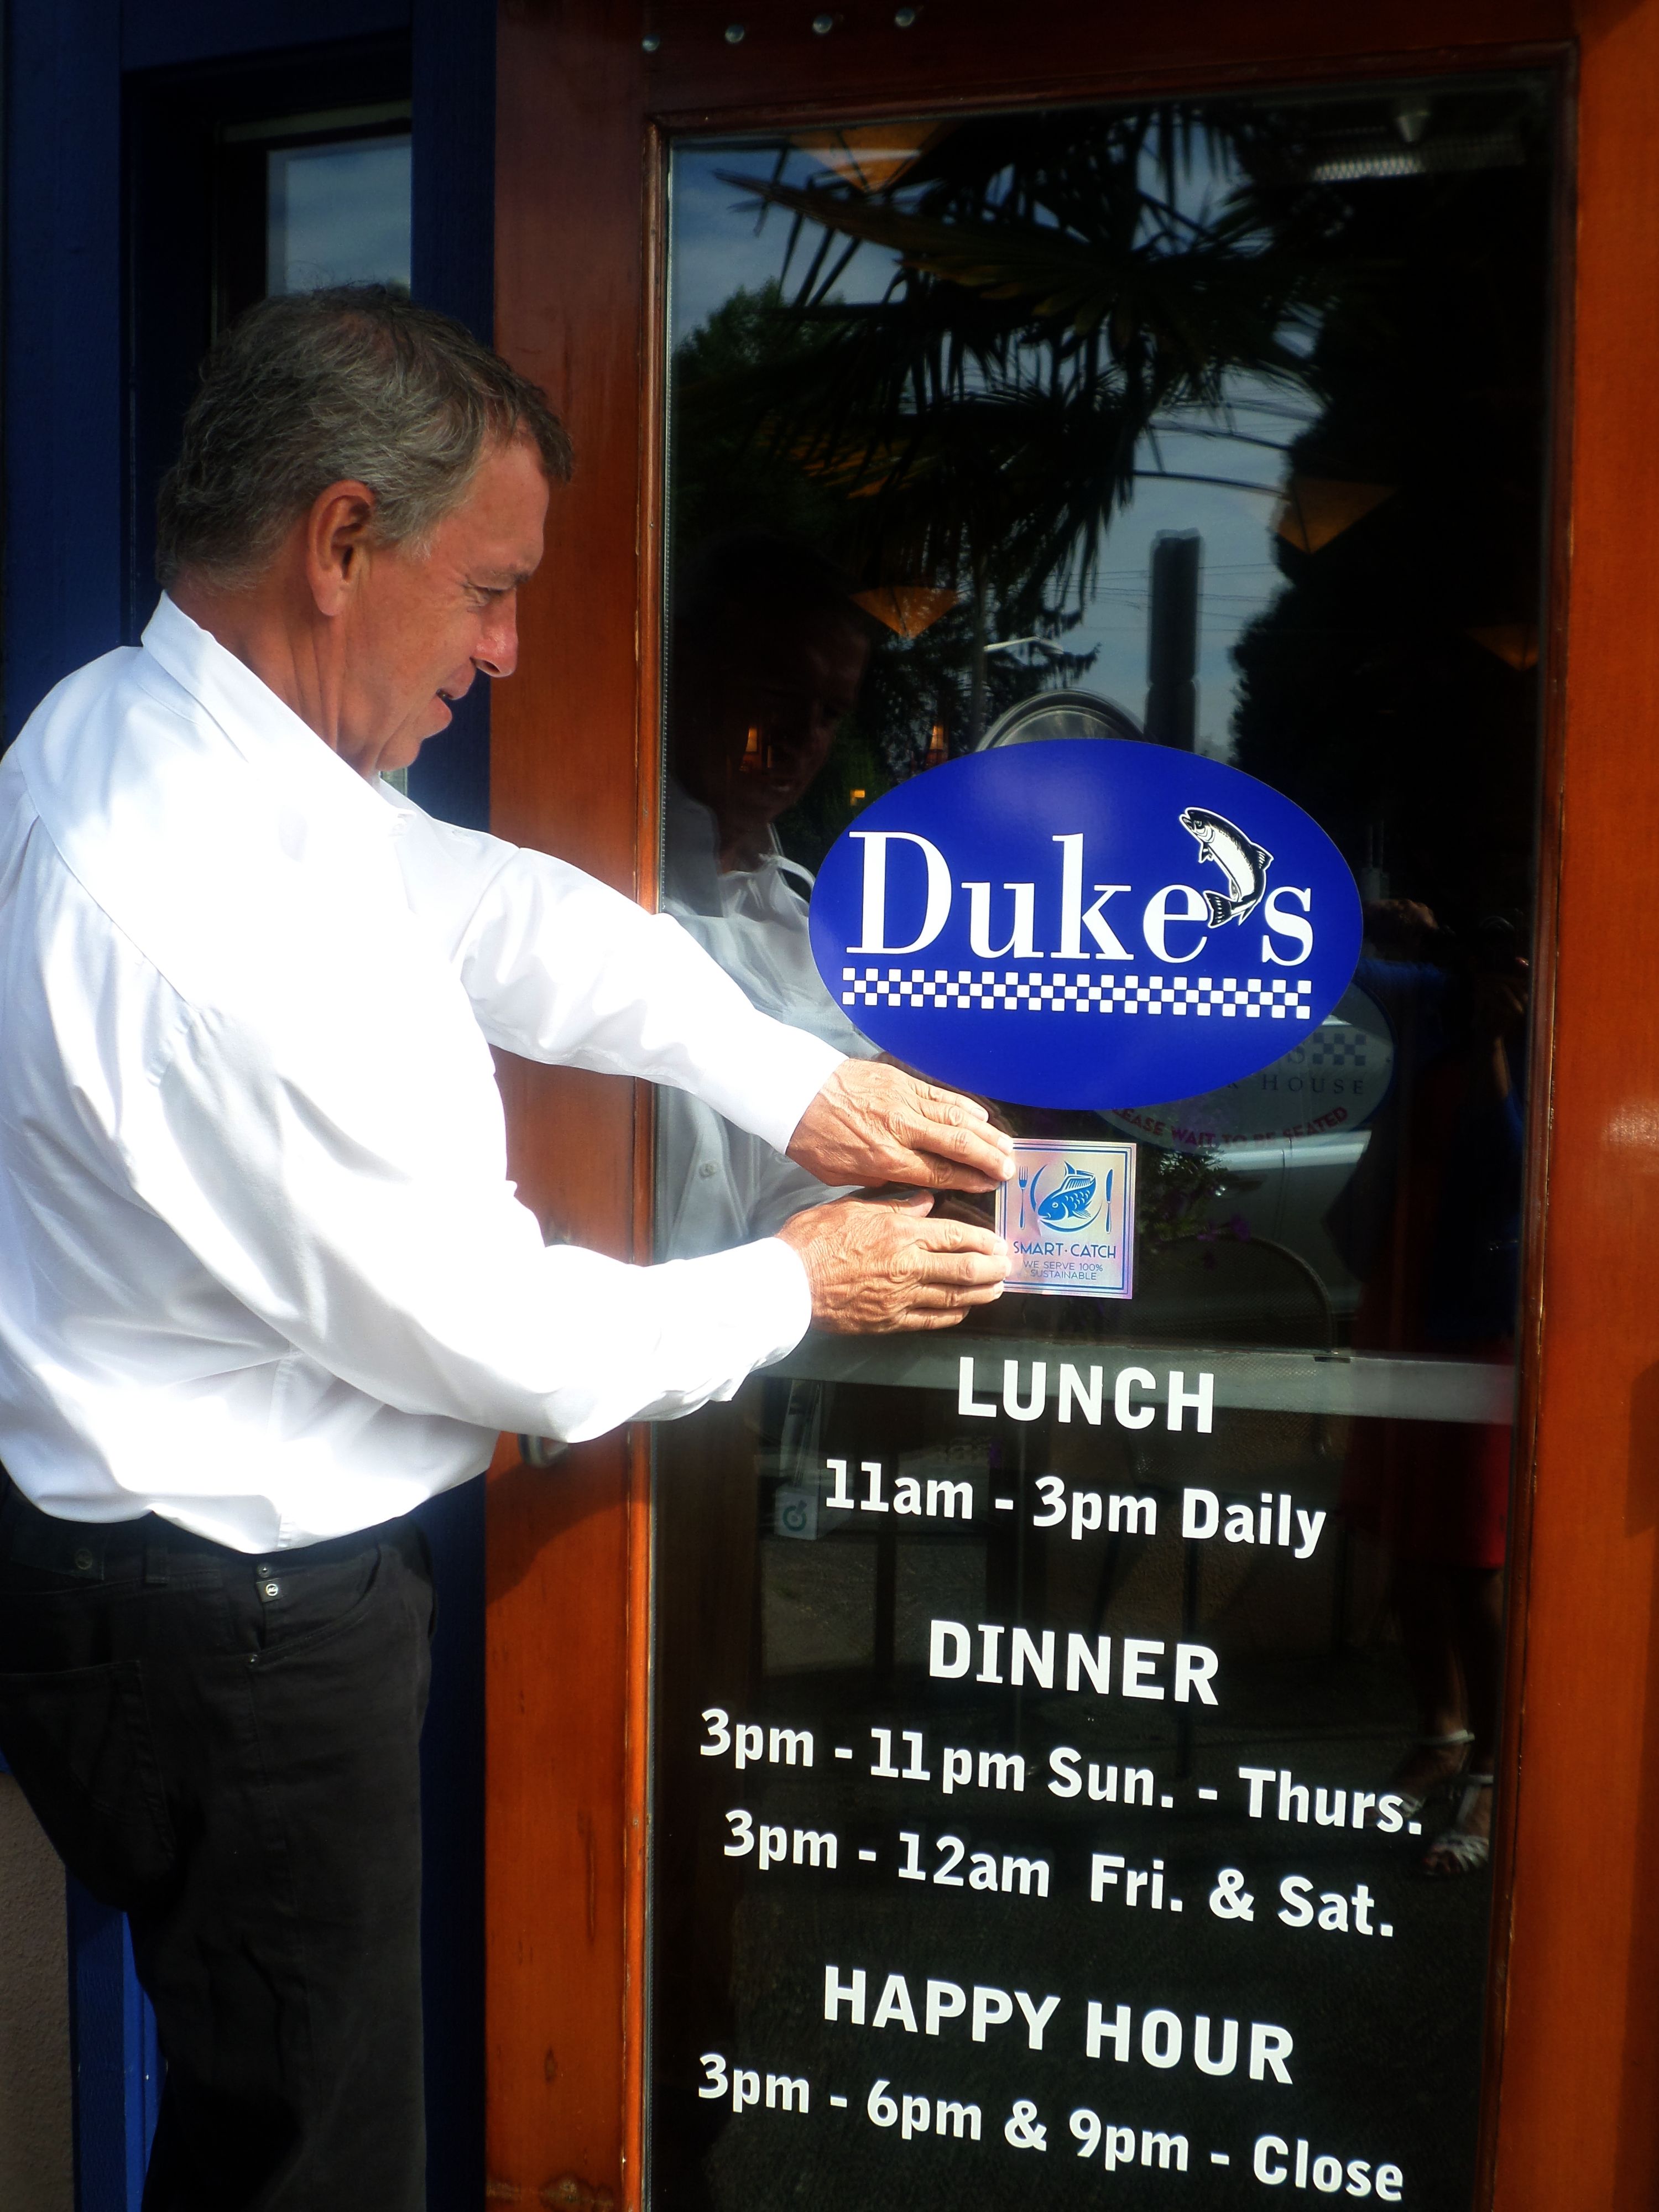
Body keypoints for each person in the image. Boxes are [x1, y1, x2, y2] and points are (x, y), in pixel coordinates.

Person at [0, 286, 1011, 2211]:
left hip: (171, 1585)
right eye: (487, 590)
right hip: (238, 1631)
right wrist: (808, 1278)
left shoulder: (153, 731)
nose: (512, 649)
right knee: (314, 2161)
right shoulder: (208, 913)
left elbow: (488, 911)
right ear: (340, 538)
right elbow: (505, 1346)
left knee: (268, 2116)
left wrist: (782, 1076)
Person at [659, 531, 883, 1256]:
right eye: (782, 694)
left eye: (829, 714)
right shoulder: (577, 884)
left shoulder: (811, 942)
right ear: (691, 671)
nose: (802, 738)